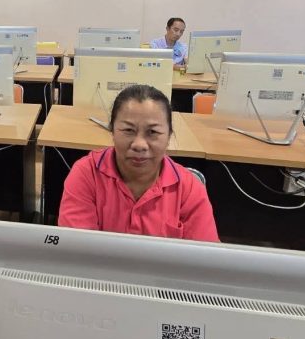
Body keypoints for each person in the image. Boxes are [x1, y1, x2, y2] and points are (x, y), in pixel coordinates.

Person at [58, 84, 219, 241]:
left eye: (153, 132)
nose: (139, 145)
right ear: (112, 130)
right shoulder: (87, 174)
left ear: (169, 135)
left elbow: (205, 255)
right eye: (128, 130)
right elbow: (75, 249)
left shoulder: (189, 189)